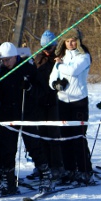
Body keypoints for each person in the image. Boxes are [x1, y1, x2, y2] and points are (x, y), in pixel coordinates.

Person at [0, 42, 53, 195]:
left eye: (7, 60)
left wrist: (30, 88)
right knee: (7, 149)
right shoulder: (0, 71)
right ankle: (9, 182)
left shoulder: (28, 69)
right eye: (2, 60)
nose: (5, 63)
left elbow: (42, 92)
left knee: (33, 146)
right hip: (8, 115)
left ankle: (46, 176)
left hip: (27, 113)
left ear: (15, 56)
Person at [48, 28, 93, 185]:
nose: (70, 44)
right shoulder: (62, 57)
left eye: (73, 40)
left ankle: (85, 170)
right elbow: (52, 78)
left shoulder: (84, 57)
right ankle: (69, 170)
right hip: (63, 101)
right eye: (67, 41)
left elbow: (73, 71)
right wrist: (56, 84)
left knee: (78, 138)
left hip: (78, 101)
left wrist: (60, 66)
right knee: (65, 138)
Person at [33, 30, 65, 179]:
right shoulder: (37, 59)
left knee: (54, 135)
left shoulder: (59, 58)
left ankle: (57, 165)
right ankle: (42, 166)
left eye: (50, 48)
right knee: (41, 135)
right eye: (44, 48)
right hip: (39, 101)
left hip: (54, 101)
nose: (47, 51)